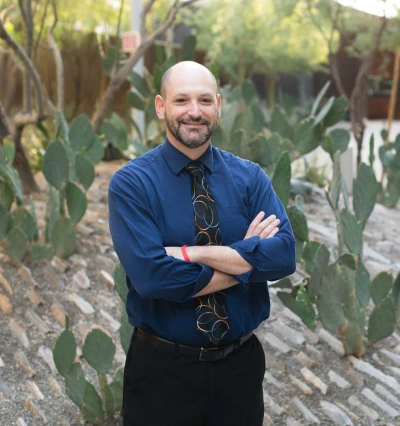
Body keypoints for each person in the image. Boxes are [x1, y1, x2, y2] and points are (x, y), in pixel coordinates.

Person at [108, 61, 296, 426]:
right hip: (163, 373)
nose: (194, 112)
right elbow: (153, 278)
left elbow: (284, 257)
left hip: (240, 369)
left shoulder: (250, 177)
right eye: (182, 100)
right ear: (161, 106)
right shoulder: (132, 184)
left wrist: (190, 253)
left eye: (204, 100)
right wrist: (247, 259)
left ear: (219, 106)